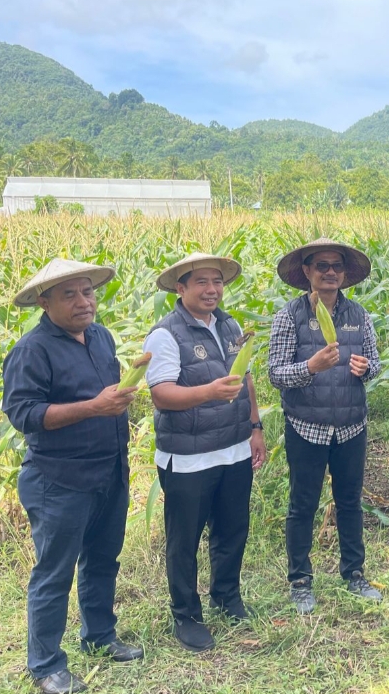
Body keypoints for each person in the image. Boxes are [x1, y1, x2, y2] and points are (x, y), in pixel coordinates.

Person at [2, 258, 144, 694]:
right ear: (44, 303)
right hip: (58, 480)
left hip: (109, 472)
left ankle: (99, 636)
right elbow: (23, 414)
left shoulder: (102, 337)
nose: (84, 302)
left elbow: (109, 399)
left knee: (103, 561)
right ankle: (46, 665)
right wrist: (94, 407)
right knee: (54, 573)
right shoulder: (32, 349)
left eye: (88, 292)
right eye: (70, 295)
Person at [143, 253, 266, 652]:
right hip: (190, 458)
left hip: (233, 451)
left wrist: (255, 427)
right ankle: (186, 615)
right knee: (185, 540)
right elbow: (162, 395)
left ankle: (227, 596)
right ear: (180, 289)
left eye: (217, 282)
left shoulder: (229, 325)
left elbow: (244, 377)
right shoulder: (165, 334)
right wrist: (209, 392)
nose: (212, 289)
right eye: (201, 282)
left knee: (232, 531)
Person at [270, 238, 383, 613]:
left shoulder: (359, 315)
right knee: (303, 504)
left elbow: (376, 365)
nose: (330, 272)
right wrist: (309, 368)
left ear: (345, 274)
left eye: (337, 266)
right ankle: (300, 580)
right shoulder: (290, 316)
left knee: (350, 503)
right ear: (307, 272)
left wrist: (366, 369)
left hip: (351, 425)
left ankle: (354, 574)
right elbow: (275, 373)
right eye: (322, 266)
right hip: (307, 425)